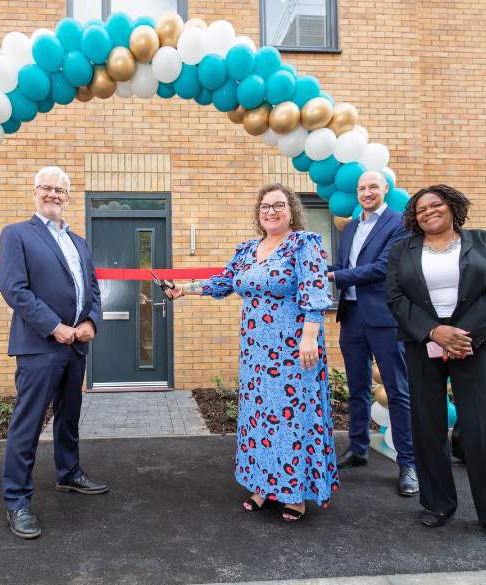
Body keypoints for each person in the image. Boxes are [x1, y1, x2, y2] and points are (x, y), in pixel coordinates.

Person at [165, 183, 337, 522]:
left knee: (291, 418)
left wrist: (309, 337)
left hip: (293, 346)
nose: (271, 211)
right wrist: (185, 289)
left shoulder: (304, 244)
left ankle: (294, 493)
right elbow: (225, 281)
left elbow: (316, 291)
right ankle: (262, 485)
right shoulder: (247, 249)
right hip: (257, 350)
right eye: (265, 206)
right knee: (259, 417)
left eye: (278, 205)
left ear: (292, 211)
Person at [385, 184, 486, 546]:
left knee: (481, 427)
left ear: (452, 206)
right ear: (413, 218)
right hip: (422, 342)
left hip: (474, 343)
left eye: (436, 205)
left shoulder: (485, 241)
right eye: (420, 210)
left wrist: (463, 334)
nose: (428, 213)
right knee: (427, 425)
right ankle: (437, 503)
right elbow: (395, 297)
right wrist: (434, 331)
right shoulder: (402, 250)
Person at [0, 166, 105, 540]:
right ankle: (17, 500)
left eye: (60, 190)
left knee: (69, 416)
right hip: (40, 345)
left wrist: (91, 321)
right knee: (27, 424)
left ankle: (69, 473)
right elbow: (14, 289)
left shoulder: (78, 241)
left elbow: (91, 287)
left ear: (68, 197)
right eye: (46, 188)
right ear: (34, 191)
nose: (53, 195)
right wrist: (54, 326)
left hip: (76, 344)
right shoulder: (16, 235)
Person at [327, 170, 418, 496]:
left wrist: (334, 278)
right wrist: (317, 272)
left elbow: (382, 269)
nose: (367, 192)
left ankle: (408, 463)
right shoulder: (350, 227)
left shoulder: (399, 223)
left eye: (373, 187)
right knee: (358, 388)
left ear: (385, 189)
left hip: (384, 320)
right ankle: (358, 448)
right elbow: (341, 266)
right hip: (351, 318)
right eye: (362, 188)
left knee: (398, 391)